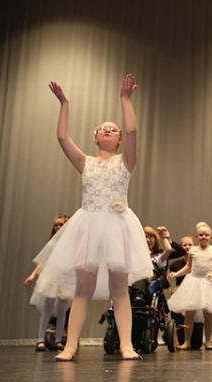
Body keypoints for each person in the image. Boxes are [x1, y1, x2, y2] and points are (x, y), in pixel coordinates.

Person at [34, 75, 152, 361]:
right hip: (87, 226)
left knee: (119, 290)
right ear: (95, 136)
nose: (109, 131)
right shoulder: (85, 162)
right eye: (104, 129)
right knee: (83, 290)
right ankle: (71, 345)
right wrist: (65, 103)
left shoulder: (126, 162)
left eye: (114, 130)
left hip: (118, 227)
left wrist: (126, 100)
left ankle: (127, 345)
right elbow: (62, 137)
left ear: (120, 138)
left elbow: (134, 131)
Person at [167, 222, 212, 350]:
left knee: (208, 313)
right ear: (197, 237)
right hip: (194, 282)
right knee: (189, 313)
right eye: (201, 235)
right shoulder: (193, 250)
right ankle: (187, 341)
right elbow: (188, 267)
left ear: (210, 237)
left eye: (206, 235)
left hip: (209, 283)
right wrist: (176, 274)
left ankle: (209, 341)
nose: (203, 237)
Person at [25, 214, 71, 351]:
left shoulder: (73, 242)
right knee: (48, 308)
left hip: (67, 276)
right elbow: (43, 261)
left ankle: (58, 340)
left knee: (63, 309)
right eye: (56, 225)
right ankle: (40, 340)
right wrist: (33, 275)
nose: (58, 227)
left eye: (61, 224)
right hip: (52, 276)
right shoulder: (53, 242)